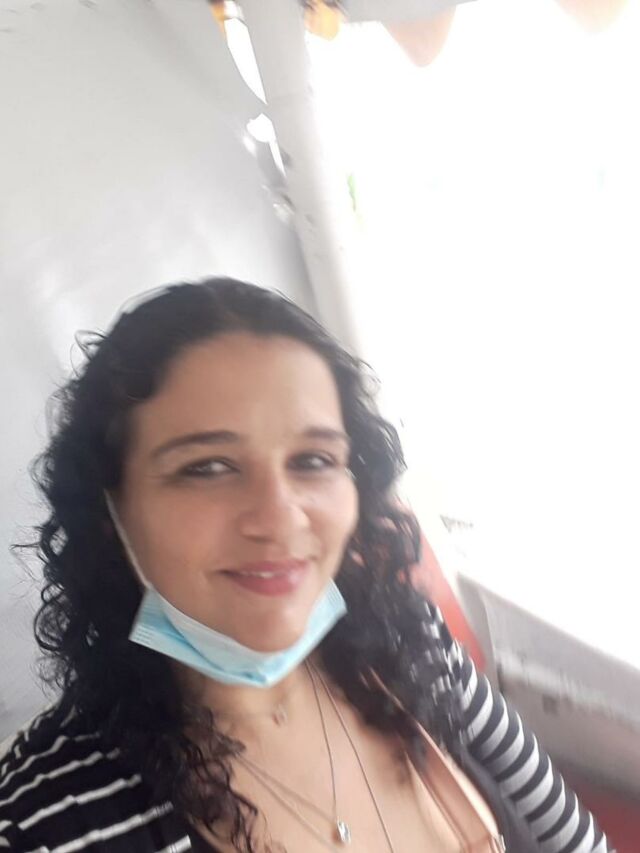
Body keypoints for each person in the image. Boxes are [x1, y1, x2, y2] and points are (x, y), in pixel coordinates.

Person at [0, 278, 611, 852]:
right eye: (208, 467)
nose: (280, 518)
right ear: (110, 513)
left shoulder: (416, 646)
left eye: (314, 460)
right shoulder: (44, 822)